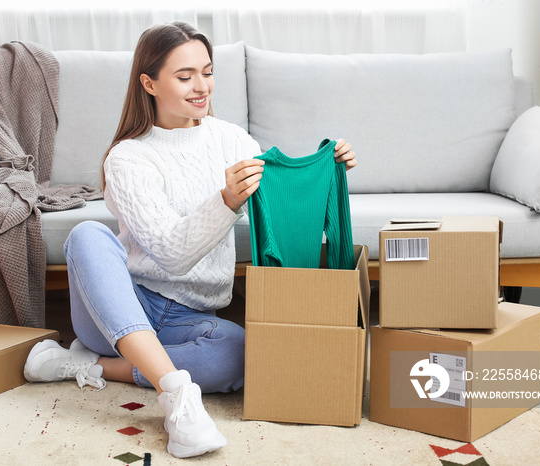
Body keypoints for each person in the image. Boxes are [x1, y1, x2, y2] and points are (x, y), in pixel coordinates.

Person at [23, 21, 357, 459]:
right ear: (150, 83)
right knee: (87, 235)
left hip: (189, 317)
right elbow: (170, 255)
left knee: (238, 354)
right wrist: (225, 200)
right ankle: (176, 393)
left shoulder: (232, 139)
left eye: (208, 72)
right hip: (122, 304)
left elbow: (278, 200)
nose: (202, 87)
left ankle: (87, 365)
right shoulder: (129, 157)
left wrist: (328, 170)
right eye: (185, 77)